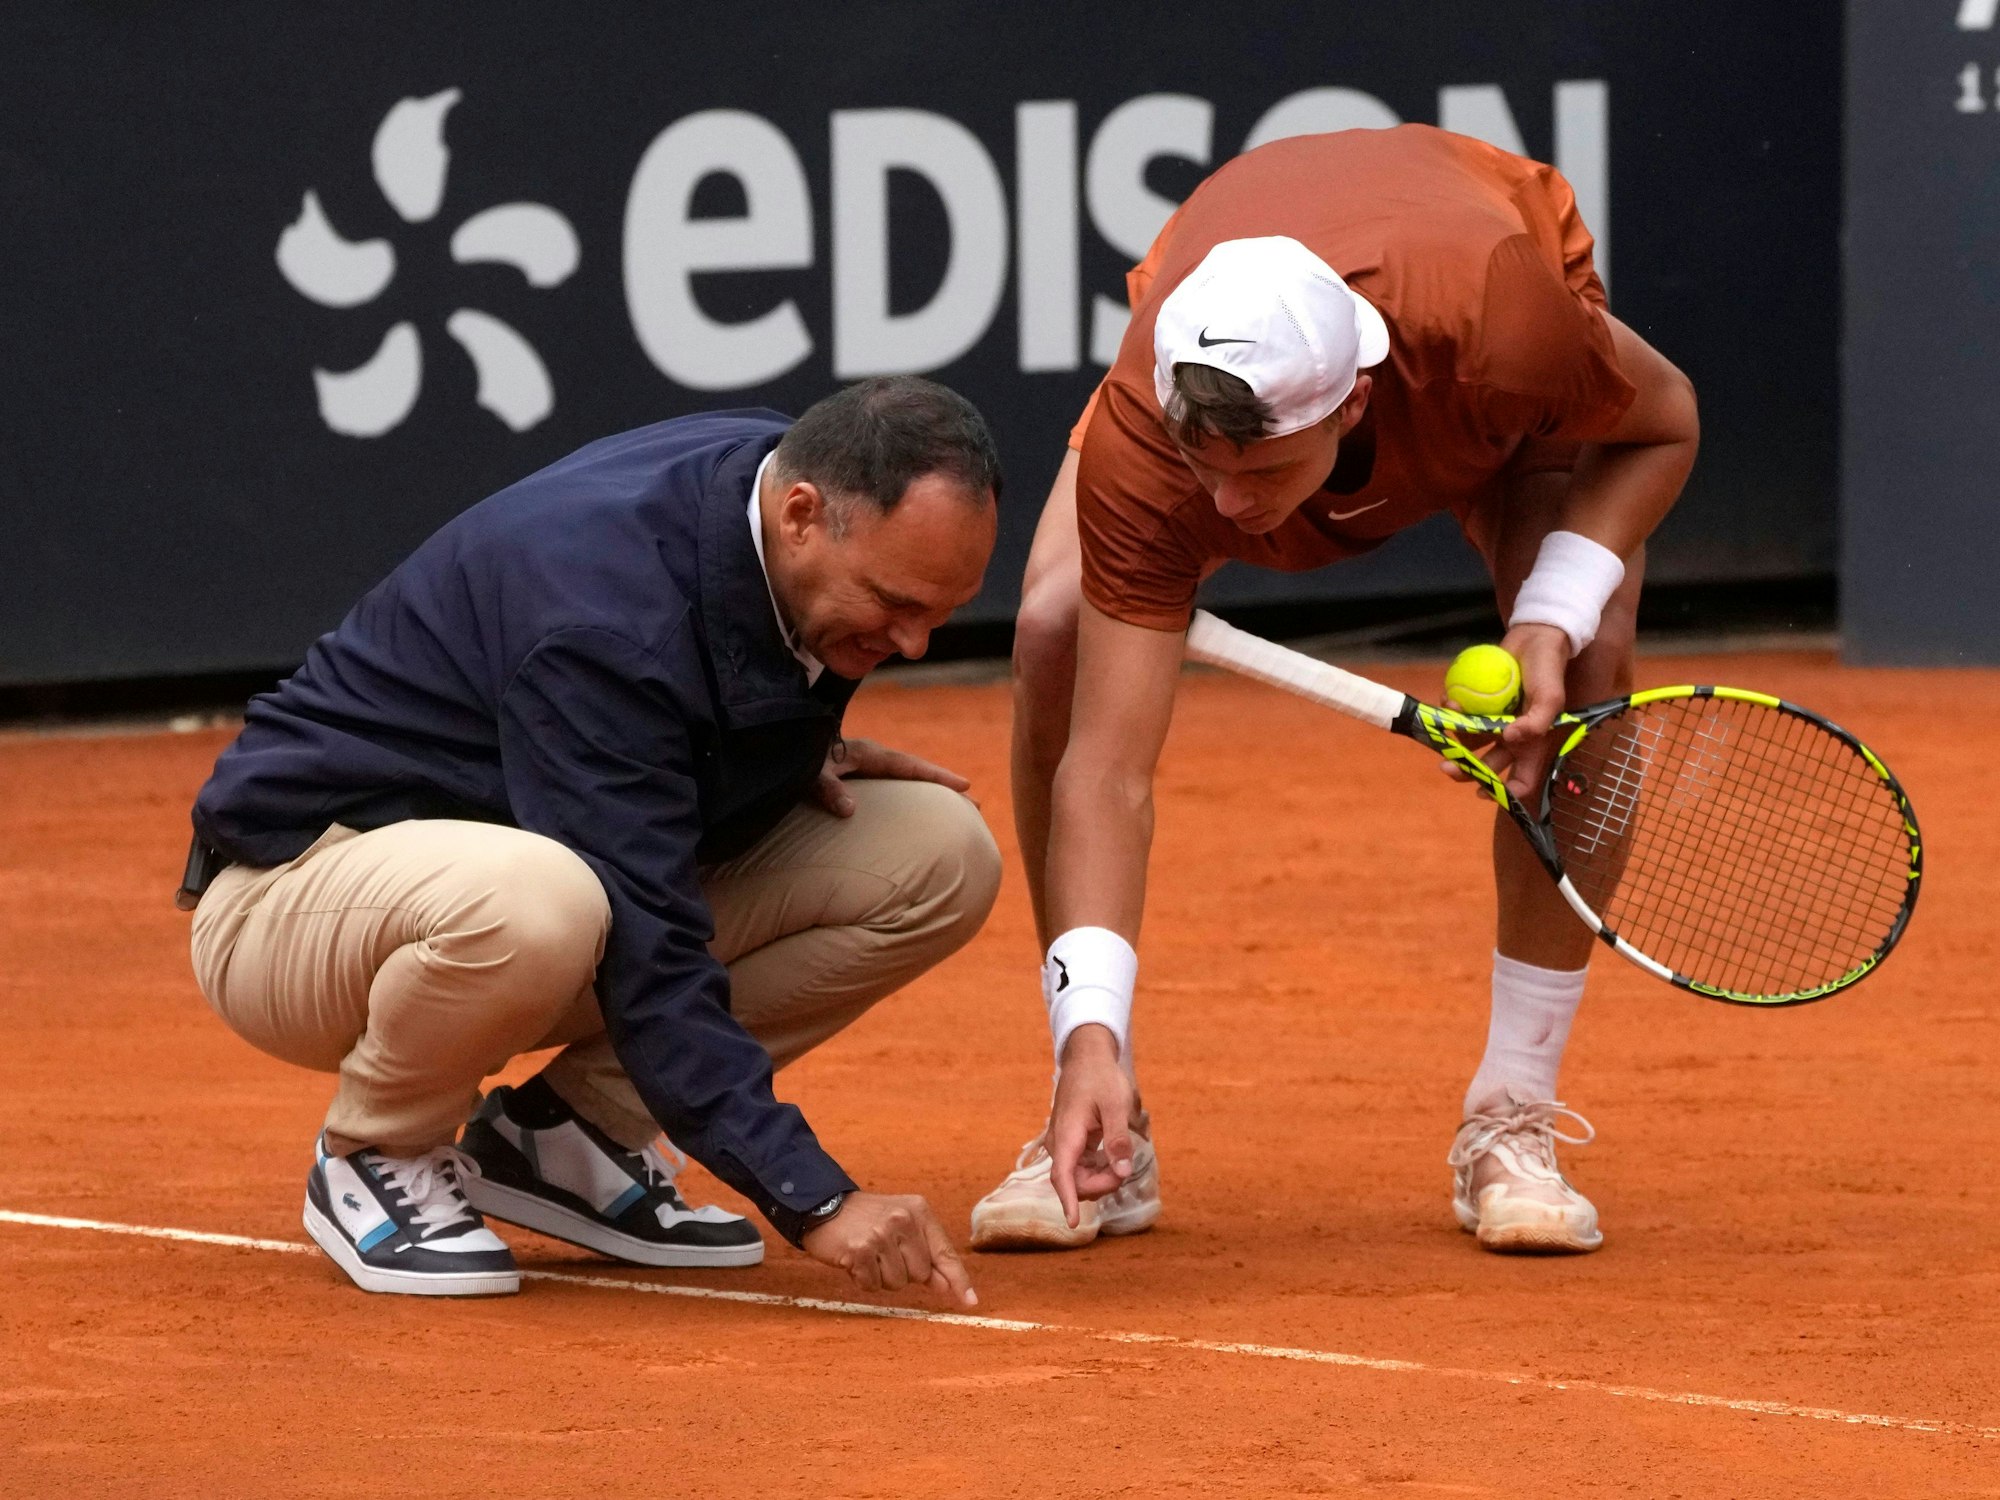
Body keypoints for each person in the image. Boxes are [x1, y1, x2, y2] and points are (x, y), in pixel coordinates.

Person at [969, 125, 1699, 1257]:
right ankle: (1101, 1106)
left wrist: (1545, 614)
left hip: (1469, 309)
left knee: (1589, 662)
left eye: (1256, 468)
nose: (1224, 500)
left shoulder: (1506, 334)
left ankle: (1512, 1116)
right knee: (1055, 633)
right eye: (1202, 463)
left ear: (1350, 404)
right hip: (1301, 302)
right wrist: (1089, 1034)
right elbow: (1106, 774)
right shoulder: (1154, 448)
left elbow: (1663, 423)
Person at [182, 377, 1005, 1304]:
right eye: (894, 602)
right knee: (548, 900)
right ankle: (379, 1150)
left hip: (502, 858)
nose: (915, 643)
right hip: (295, 893)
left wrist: (788, 749)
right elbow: (650, 941)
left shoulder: (779, 482)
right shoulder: (604, 618)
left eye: (940, 610)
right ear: (803, 514)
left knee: (940, 854)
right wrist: (815, 1199)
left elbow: (695, 701)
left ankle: (569, 1137)